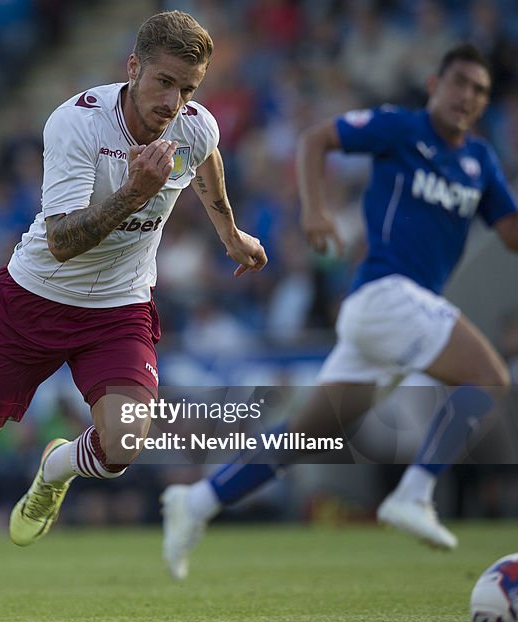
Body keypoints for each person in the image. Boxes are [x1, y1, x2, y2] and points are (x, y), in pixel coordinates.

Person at [0, 10, 267, 622]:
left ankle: (58, 466)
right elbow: (61, 242)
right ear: (133, 67)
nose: (175, 102)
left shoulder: (194, 128)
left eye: (189, 89)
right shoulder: (76, 122)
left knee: (125, 444)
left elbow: (209, 156)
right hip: (31, 299)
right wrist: (133, 195)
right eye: (165, 82)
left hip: (117, 309)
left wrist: (229, 230)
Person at [161, 42, 518, 581]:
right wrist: (315, 208)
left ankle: (198, 501)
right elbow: (317, 137)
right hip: (386, 294)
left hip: (396, 315)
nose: (467, 96)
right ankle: (415, 494)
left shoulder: (480, 162)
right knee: (489, 377)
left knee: (305, 438)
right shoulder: (402, 129)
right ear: (435, 85)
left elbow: (511, 234)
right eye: (459, 83)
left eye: (479, 91)